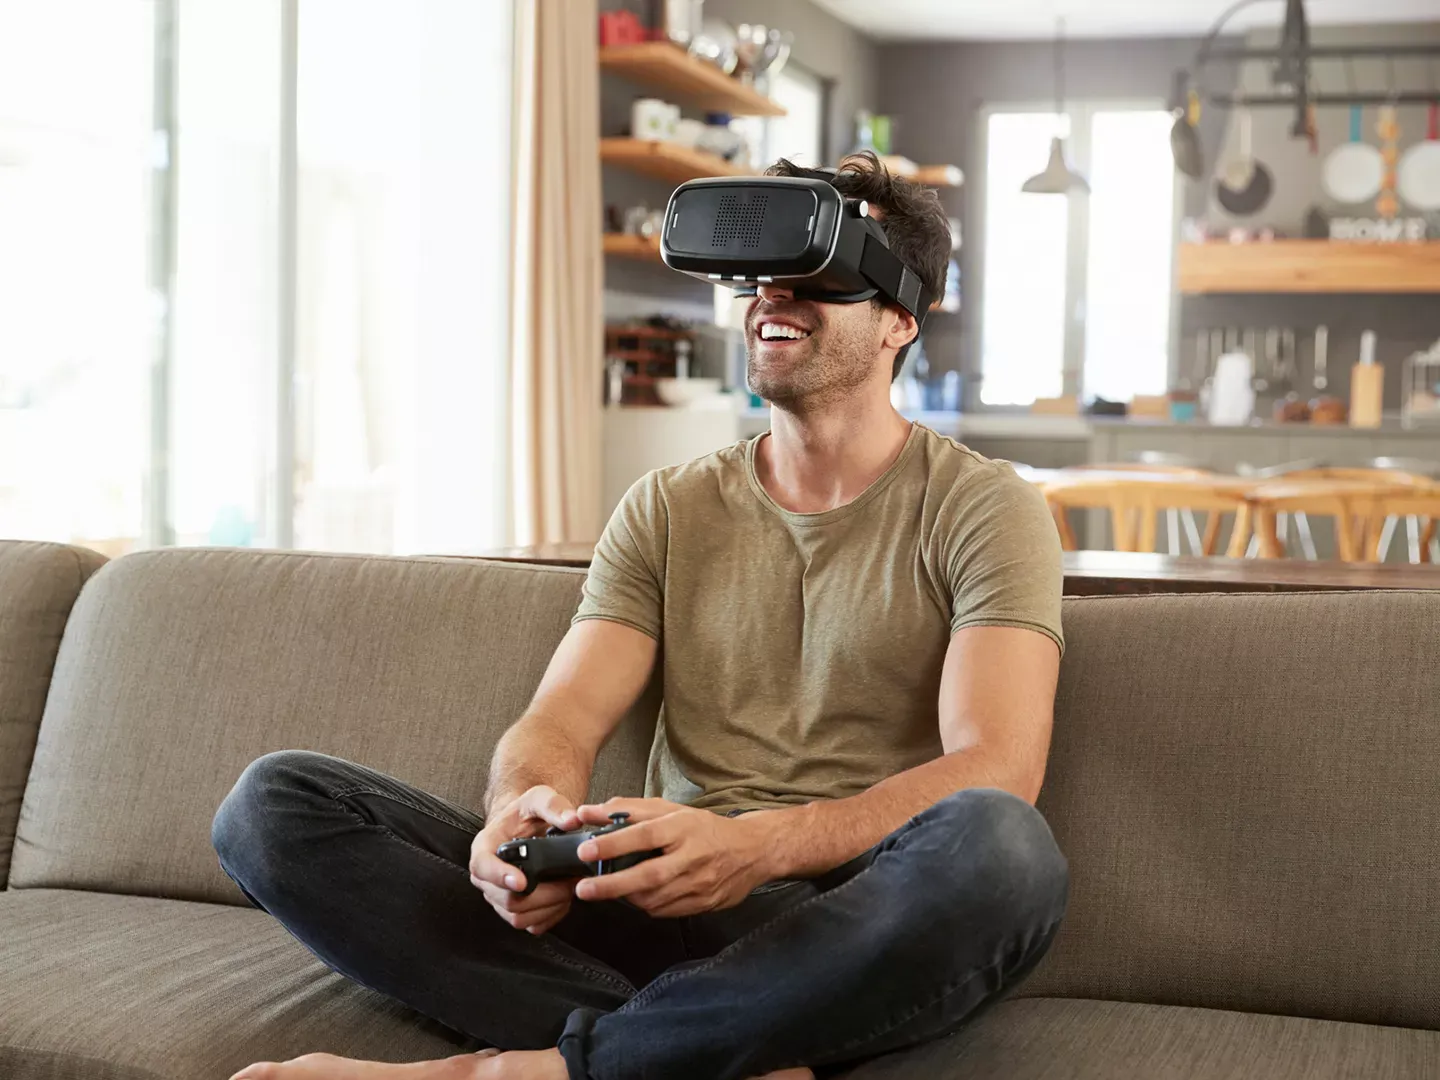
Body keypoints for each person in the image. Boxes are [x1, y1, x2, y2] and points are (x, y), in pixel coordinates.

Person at [214, 152, 1069, 1080]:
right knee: (273, 806)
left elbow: (997, 766)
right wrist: (522, 814)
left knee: (1005, 851)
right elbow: (562, 720)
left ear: (901, 317)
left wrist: (755, 844)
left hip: (840, 921)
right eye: (759, 276)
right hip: (649, 892)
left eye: (816, 273)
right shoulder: (666, 507)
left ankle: (532, 1070)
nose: (772, 299)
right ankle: (711, 1051)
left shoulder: (984, 507)